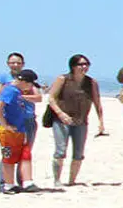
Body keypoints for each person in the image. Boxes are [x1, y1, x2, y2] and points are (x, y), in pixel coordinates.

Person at [45, 54, 106, 186]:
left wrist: (101, 122)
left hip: (81, 121)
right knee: (60, 151)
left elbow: (97, 103)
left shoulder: (91, 83)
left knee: (78, 153)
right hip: (62, 121)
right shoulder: (63, 79)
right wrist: (61, 114)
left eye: (86, 64)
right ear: (73, 66)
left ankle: (72, 181)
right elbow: (51, 98)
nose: (84, 67)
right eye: (81, 64)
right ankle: (57, 180)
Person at [0, 69, 41, 193]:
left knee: (25, 154)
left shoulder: (17, 90)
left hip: (19, 129)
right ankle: (7, 185)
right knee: (8, 157)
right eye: (30, 83)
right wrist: (5, 125)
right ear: (23, 81)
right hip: (8, 131)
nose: (30, 87)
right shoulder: (10, 90)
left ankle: (27, 182)